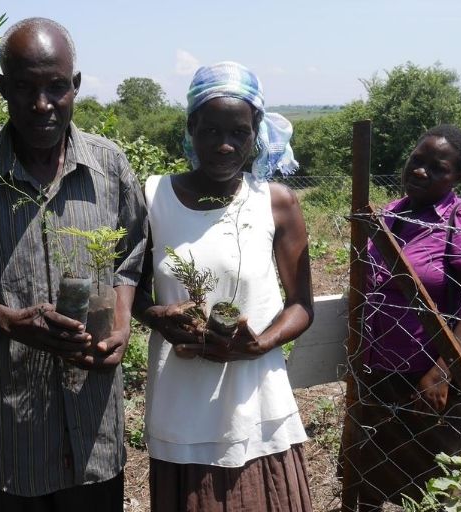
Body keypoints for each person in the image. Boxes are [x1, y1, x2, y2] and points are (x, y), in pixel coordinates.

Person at [0, 17, 147, 511]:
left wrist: (120, 322)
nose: (42, 104)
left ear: (75, 85)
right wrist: (9, 321)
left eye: (56, 87)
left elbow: (131, 259)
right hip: (10, 421)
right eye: (25, 87)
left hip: (92, 418)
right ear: (3, 87)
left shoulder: (110, 167)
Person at [134, 61, 315, 512]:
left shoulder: (275, 202)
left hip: (256, 402)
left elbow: (301, 305)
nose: (225, 145)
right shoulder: (152, 197)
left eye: (239, 132)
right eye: (211, 131)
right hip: (181, 403)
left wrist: (259, 345)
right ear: (190, 129)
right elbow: (129, 291)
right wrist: (157, 315)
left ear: (257, 133)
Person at [354, 124, 461, 509]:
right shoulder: (389, 214)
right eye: (417, 160)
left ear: (459, 177)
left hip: (429, 382)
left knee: (444, 487)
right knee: (371, 478)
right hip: (378, 374)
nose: (420, 171)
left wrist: (443, 371)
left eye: (438, 168)